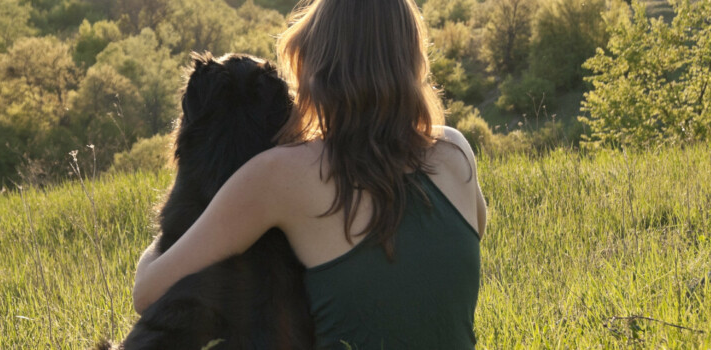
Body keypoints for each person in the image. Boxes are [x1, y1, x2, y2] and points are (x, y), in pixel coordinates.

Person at [132, 0, 487, 348]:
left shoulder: (283, 174)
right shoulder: (456, 154)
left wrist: (180, 219)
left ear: (316, 63)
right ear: (413, 60)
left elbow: (148, 293)